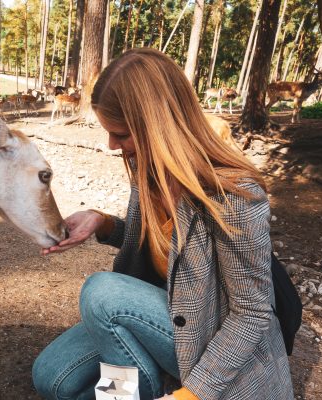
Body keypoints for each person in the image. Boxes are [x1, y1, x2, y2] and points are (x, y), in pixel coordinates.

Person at [32, 48, 293, 400]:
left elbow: (252, 313)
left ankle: (143, 391)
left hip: (208, 335)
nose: (111, 145)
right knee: (53, 377)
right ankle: (140, 383)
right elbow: (166, 251)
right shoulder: (149, 169)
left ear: (157, 125)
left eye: (121, 135)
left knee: (101, 293)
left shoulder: (234, 195)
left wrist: (191, 396)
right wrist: (102, 223)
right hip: (166, 313)